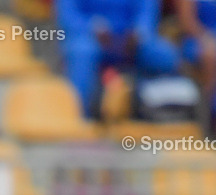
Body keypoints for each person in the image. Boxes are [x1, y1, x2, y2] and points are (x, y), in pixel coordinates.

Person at [57, 0, 182, 117]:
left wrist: (139, 32)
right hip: (90, 38)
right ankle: (79, 116)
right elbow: (68, 16)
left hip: (130, 41)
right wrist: (93, 27)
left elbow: (147, 12)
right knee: (82, 51)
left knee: (165, 56)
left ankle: (154, 108)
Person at [176, 0, 216, 129]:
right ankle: (211, 112)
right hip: (198, 39)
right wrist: (205, 37)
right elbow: (187, 22)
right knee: (210, 54)